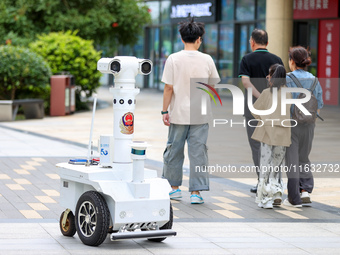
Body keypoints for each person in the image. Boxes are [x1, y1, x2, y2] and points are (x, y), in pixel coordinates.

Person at [161, 18, 220, 204]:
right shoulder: (207, 59)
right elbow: (213, 86)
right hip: (200, 115)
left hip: (178, 113)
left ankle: (174, 189)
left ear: (181, 37)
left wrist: (164, 111)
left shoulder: (173, 59)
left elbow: (168, 88)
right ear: (199, 39)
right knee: (198, 153)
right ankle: (196, 193)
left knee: (174, 151)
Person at [238, 29, 284, 193]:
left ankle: (262, 183)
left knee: (257, 146)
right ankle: (275, 183)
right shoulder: (277, 59)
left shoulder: (246, 59)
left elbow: (245, 82)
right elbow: (281, 84)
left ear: (252, 42)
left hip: (253, 110)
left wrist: (260, 98)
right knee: (274, 145)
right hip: (274, 110)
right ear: (267, 42)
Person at [284, 46, 323, 208]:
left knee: (291, 159)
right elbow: (319, 105)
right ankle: (305, 191)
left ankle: (294, 198)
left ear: (292, 61)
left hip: (291, 123)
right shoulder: (314, 80)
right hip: (309, 124)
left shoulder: (286, 78)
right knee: (304, 157)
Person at [251, 64, 292, 209]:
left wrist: (264, 118)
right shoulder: (288, 92)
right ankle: (276, 193)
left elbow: (255, 110)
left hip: (267, 133)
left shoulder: (267, 93)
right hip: (283, 134)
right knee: (276, 167)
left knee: (265, 167)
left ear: (271, 76)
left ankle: (264, 198)